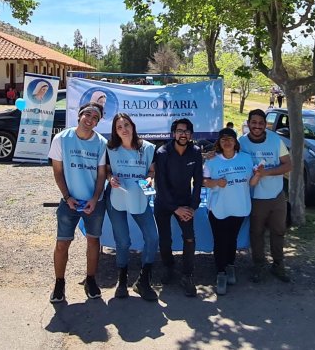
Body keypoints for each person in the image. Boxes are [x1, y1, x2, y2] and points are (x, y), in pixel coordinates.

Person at [47, 101, 107, 303]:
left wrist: (94, 199)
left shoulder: (101, 143)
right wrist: (67, 197)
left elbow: (101, 175)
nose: (90, 120)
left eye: (95, 118)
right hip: (69, 201)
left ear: (98, 123)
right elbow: (57, 171)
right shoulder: (61, 139)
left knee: (93, 241)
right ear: (80, 115)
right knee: (62, 242)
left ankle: (90, 280)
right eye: (88, 115)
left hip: (94, 202)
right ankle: (59, 283)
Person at [106, 113, 158, 301]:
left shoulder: (148, 148)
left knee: (152, 238)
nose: (124, 130)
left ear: (133, 125)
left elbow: (151, 170)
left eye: (126, 125)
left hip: (139, 197)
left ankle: (143, 281)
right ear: (115, 131)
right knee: (123, 242)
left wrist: (150, 178)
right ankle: (122, 281)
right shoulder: (110, 149)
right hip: (117, 198)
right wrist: (110, 178)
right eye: (119, 127)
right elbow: (107, 171)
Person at [238, 109, 292, 283]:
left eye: (261, 123)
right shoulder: (241, 142)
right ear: (248, 123)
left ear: (265, 124)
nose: (257, 126)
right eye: (254, 122)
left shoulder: (275, 140)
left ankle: (278, 265)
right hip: (254, 196)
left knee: (279, 231)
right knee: (256, 233)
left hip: (276, 196)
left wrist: (266, 173)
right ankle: (259, 265)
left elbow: (288, 165)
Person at [203, 127, 259, 295]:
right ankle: (220, 272)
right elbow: (204, 181)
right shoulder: (212, 161)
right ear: (219, 143)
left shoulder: (246, 159)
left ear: (236, 142)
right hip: (218, 208)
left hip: (239, 206)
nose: (227, 142)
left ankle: (230, 265)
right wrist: (216, 183)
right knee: (220, 241)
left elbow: (252, 183)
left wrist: (258, 175)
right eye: (223, 140)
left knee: (232, 238)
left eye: (230, 139)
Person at [154, 118, 203, 297]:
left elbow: (198, 182)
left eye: (187, 131)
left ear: (191, 134)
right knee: (165, 240)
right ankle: (169, 267)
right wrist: (176, 208)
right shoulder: (162, 152)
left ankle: (187, 274)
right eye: (180, 130)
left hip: (185, 203)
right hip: (164, 203)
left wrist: (192, 207)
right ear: (173, 133)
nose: (183, 134)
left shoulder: (196, 152)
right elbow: (161, 184)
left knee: (189, 238)